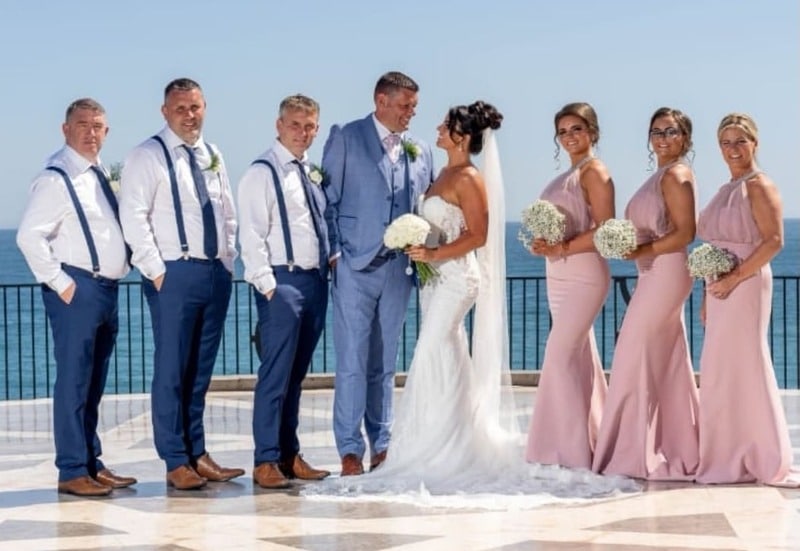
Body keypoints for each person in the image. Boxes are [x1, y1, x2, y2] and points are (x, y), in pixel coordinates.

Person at [304, 102, 637, 507]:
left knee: (430, 351)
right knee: (448, 354)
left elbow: (478, 235)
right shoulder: (440, 172)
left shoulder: (469, 178)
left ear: (461, 137)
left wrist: (434, 254)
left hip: (458, 279)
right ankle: (450, 437)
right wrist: (421, 244)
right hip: (435, 280)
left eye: (445, 126)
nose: (437, 129)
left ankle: (438, 446)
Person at [119, 78, 243, 490]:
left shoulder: (212, 154)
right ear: (165, 111)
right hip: (174, 273)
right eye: (180, 109)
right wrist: (156, 271)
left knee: (200, 369)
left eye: (195, 107)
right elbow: (134, 216)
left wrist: (227, 259)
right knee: (172, 368)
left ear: (204, 107)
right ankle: (175, 458)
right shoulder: (146, 155)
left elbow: (227, 212)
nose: (189, 116)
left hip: (214, 272)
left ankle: (197, 452)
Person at [16, 98, 136, 496]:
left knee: (92, 383)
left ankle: (90, 462)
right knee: (73, 382)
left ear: (107, 131)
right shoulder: (57, 178)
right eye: (82, 124)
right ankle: (71, 470)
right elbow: (28, 236)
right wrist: (62, 283)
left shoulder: (97, 174)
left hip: (106, 291)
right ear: (65, 129)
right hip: (79, 292)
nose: (90, 132)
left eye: (97, 126)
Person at [322, 71, 435, 476]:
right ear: (381, 101)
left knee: (385, 363)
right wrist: (335, 255)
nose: (410, 113)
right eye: (405, 105)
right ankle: (349, 449)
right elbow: (327, 199)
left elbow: (427, 205)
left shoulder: (421, 149)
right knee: (352, 360)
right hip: (354, 267)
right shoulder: (346, 137)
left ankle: (382, 444)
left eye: (414, 107)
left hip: (399, 270)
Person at [592, 107, 699, 480]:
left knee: (632, 354)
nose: (662, 139)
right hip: (652, 272)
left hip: (666, 272)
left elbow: (686, 233)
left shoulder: (677, 175)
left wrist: (641, 250)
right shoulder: (659, 176)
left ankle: (633, 452)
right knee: (665, 361)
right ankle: (675, 446)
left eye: (671, 132)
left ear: (685, 138)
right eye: (656, 132)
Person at [695, 113, 798, 486]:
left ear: (755, 143)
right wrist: (708, 293)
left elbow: (774, 241)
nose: (733, 149)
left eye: (740, 140)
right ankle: (726, 454)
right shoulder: (726, 189)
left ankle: (765, 456)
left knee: (749, 366)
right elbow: (714, 245)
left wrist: (735, 278)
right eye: (726, 142)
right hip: (719, 286)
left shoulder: (759, 185)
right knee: (720, 370)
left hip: (747, 281)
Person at [238, 94, 331, 489]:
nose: (302, 133)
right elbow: (251, 233)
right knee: (275, 375)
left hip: (315, 282)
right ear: (279, 125)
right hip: (283, 283)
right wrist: (268, 286)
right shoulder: (262, 172)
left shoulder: (310, 171)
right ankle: (265, 459)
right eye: (295, 125)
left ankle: (289, 455)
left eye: (309, 126)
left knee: (296, 376)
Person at [526, 102, 614, 469]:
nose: (569, 136)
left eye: (576, 128)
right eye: (562, 131)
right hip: (557, 275)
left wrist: (560, 247)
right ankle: (594, 439)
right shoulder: (567, 174)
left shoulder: (594, 171)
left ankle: (568, 452)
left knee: (558, 357)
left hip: (584, 275)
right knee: (579, 358)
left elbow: (606, 229)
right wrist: (543, 244)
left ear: (592, 132)